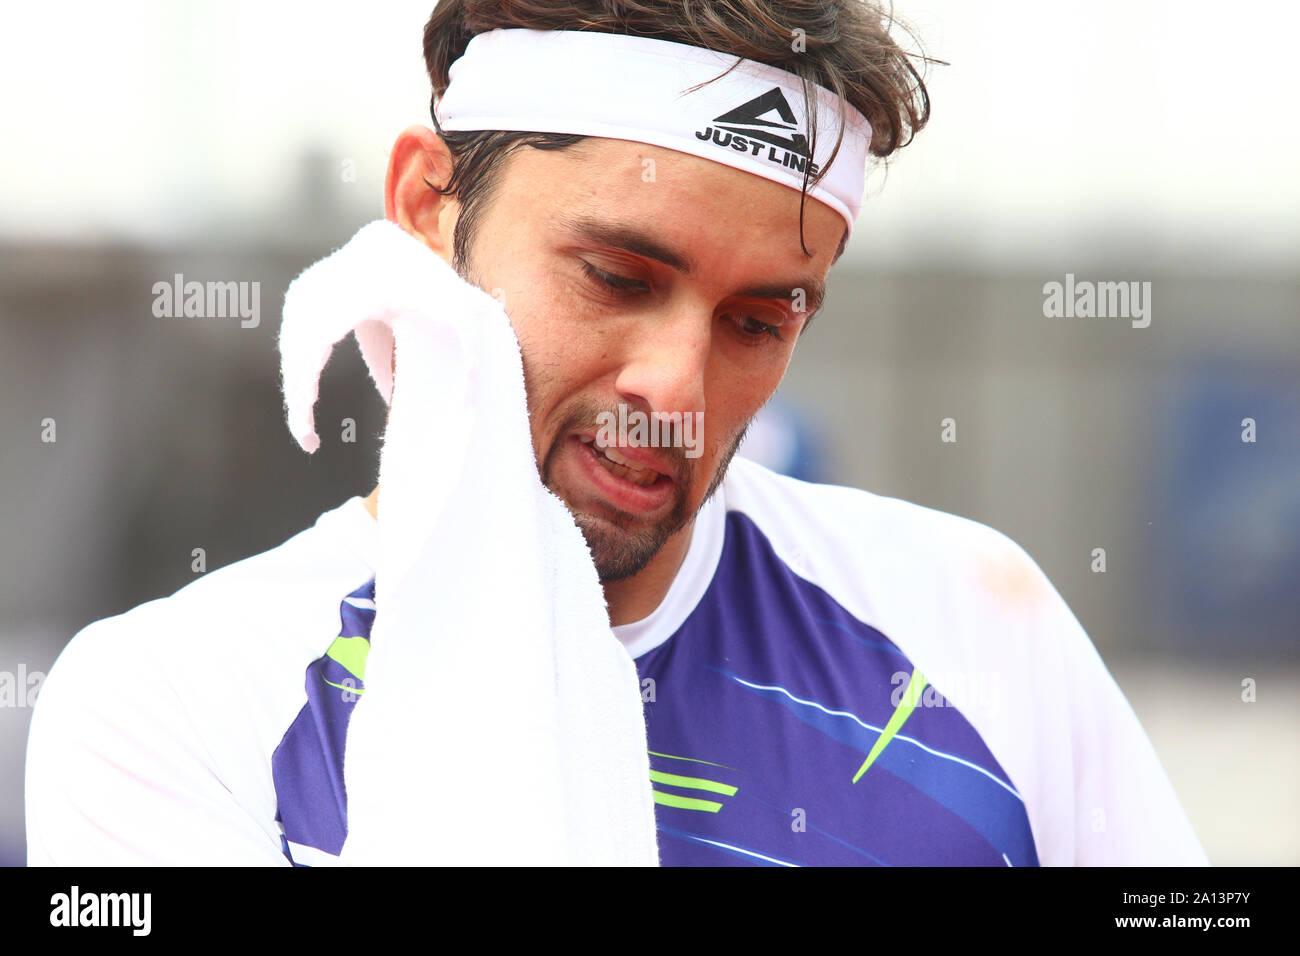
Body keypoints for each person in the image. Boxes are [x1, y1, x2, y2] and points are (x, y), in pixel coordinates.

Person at [25, 0, 1208, 866]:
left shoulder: (975, 620)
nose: (677, 384)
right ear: (427, 207)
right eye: (615, 275)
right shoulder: (169, 703)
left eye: (758, 317)